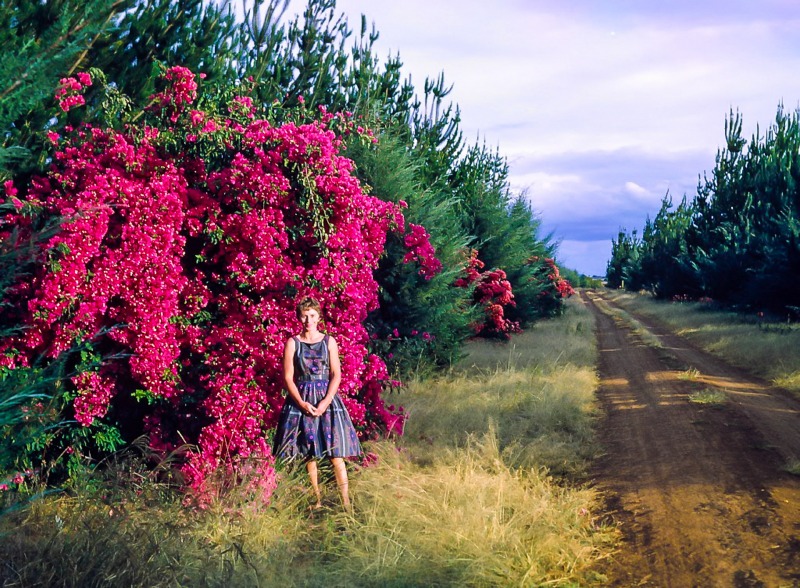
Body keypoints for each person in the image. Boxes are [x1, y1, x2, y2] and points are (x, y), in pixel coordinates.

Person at [272, 297, 361, 510]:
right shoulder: (292, 343)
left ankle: (346, 503)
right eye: (304, 315)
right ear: (299, 317)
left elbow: (336, 374)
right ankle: (316, 501)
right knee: (308, 453)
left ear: (319, 317)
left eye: (312, 315)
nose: (308, 320)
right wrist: (302, 404)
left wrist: (325, 402)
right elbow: (288, 378)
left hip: (326, 400)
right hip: (302, 399)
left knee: (336, 454)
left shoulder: (329, 341)